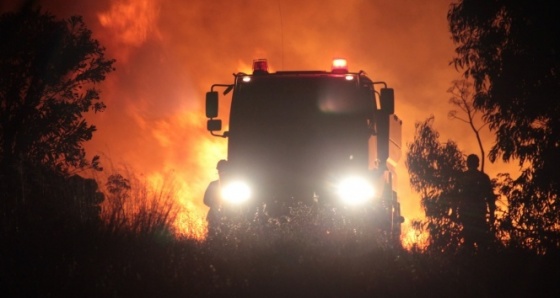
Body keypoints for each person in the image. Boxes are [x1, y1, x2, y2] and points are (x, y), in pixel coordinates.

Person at [457, 154, 496, 252]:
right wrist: (492, 214)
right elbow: (490, 197)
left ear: (468, 164)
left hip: (470, 213)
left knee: (471, 239)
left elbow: (455, 196)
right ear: (477, 164)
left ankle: (472, 261)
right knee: (479, 240)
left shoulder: (464, 177)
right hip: (476, 213)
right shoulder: (482, 177)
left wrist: (453, 212)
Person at [203, 159, 228, 238]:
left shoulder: (234, 185)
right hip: (214, 216)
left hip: (229, 215)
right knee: (212, 237)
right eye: (220, 170)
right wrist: (215, 204)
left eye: (224, 170)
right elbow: (205, 200)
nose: (222, 173)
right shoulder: (213, 184)